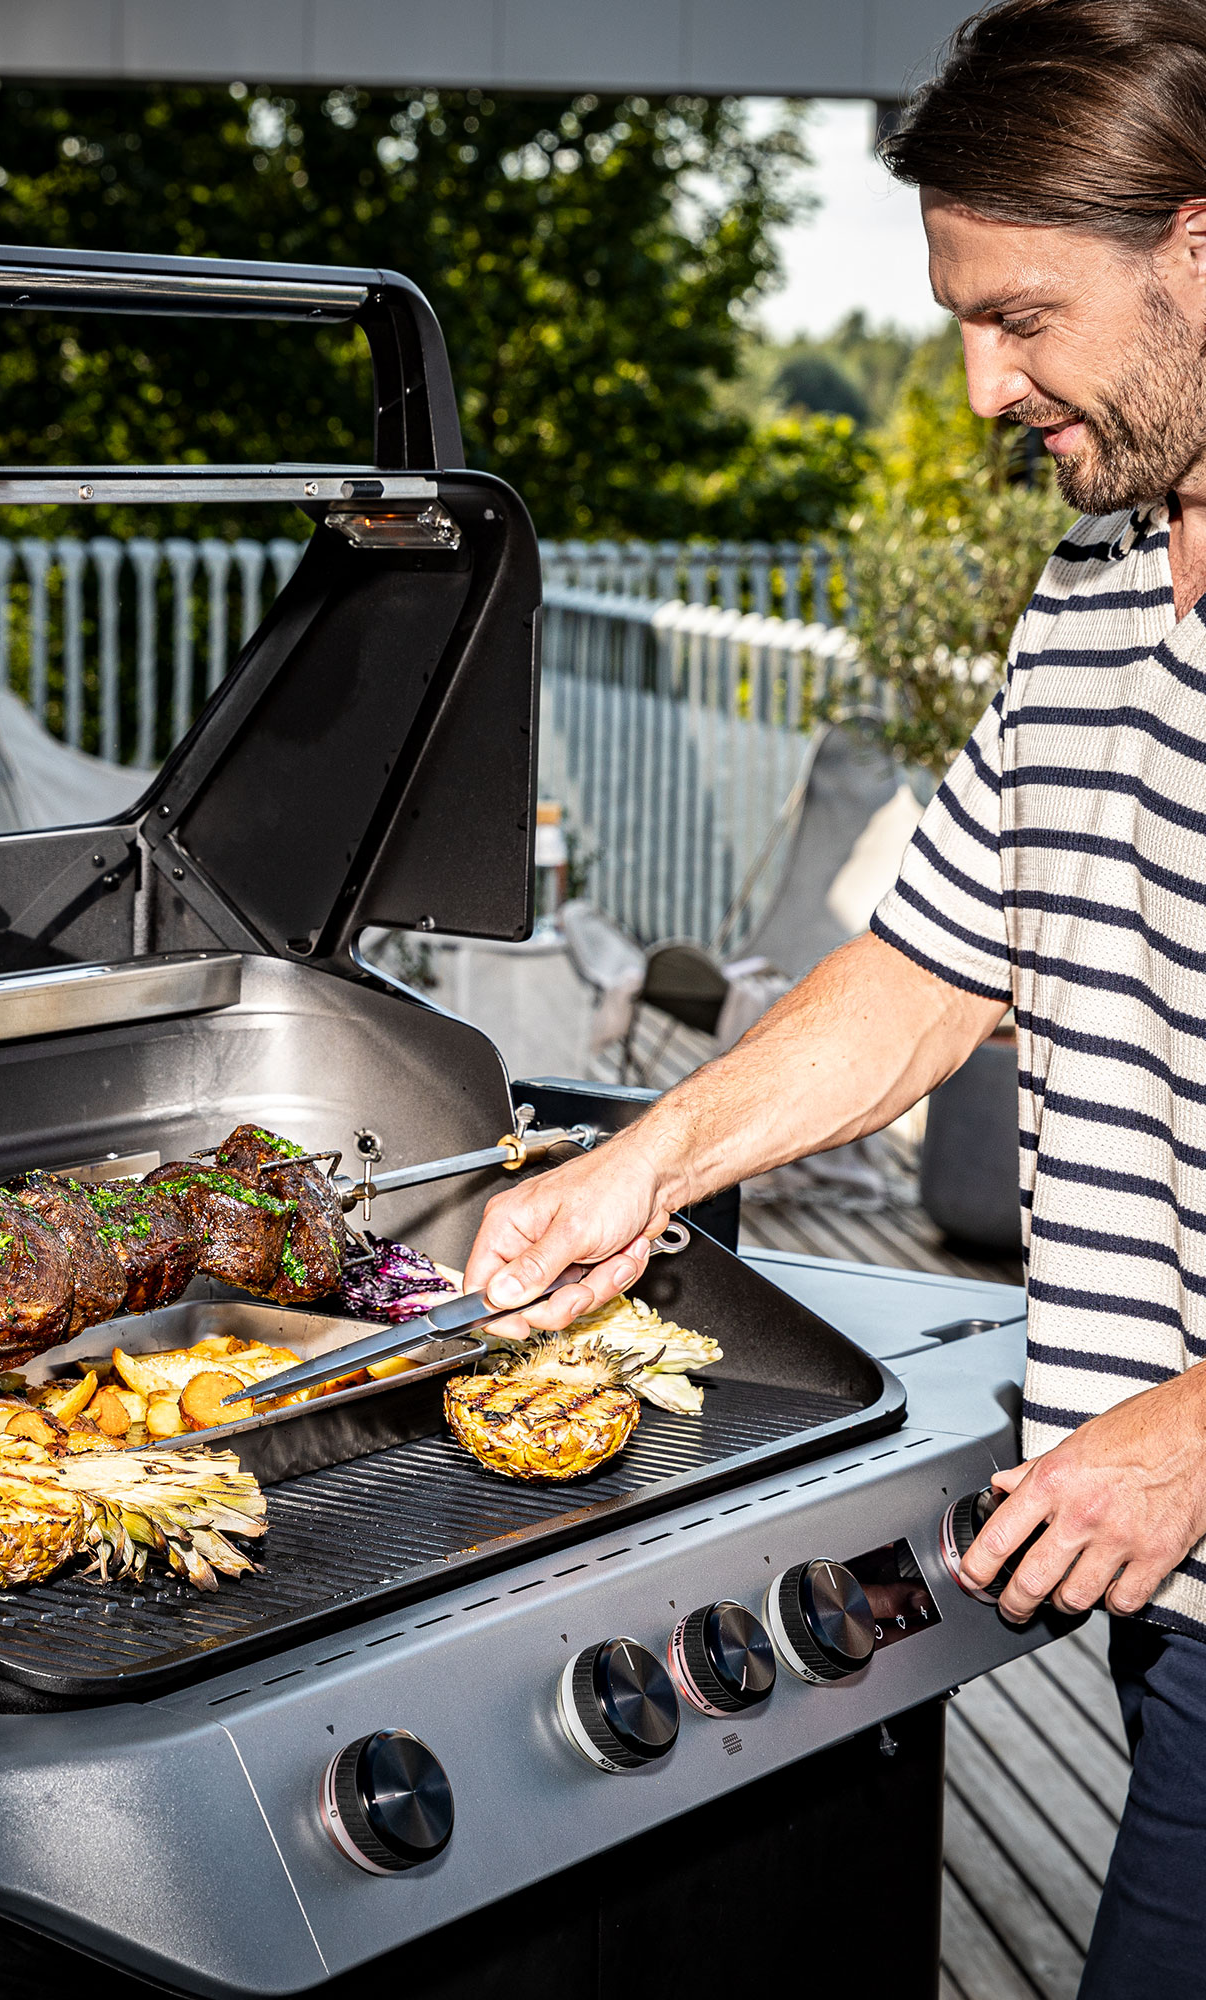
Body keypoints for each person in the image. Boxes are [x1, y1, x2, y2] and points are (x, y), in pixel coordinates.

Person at [462, 3, 1206, 1988]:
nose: (979, 386)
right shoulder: (1102, 588)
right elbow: (941, 966)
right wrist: (640, 1167)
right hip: (1169, 1587)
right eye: (960, 318)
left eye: (1023, 316)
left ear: (1200, 248)